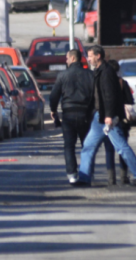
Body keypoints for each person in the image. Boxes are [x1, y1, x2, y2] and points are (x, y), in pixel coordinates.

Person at [74, 45, 136, 187]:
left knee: (121, 147)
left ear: (98, 56)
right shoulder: (99, 71)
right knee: (88, 146)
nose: (88, 59)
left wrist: (109, 115)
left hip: (107, 118)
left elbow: (110, 96)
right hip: (98, 118)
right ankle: (84, 178)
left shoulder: (106, 72)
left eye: (90, 56)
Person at [49, 49, 94, 184]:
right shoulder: (90, 74)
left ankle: (72, 175)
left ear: (73, 58)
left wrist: (53, 110)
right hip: (85, 114)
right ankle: (87, 173)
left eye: (67, 58)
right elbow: (95, 94)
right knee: (87, 146)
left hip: (68, 114)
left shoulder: (62, 75)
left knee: (69, 146)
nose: (66, 60)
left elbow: (54, 95)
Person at [104, 59, 134, 184]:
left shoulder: (104, 83)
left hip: (107, 119)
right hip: (121, 120)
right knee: (122, 148)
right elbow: (130, 101)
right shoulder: (123, 83)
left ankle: (111, 179)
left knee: (109, 149)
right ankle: (123, 177)